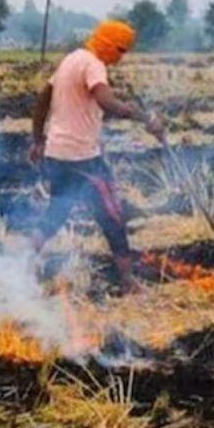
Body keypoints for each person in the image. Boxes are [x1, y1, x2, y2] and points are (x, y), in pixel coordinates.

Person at [28, 19, 166, 293]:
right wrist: (144, 117)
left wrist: (38, 139)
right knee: (112, 215)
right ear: (108, 45)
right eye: (120, 50)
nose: (120, 58)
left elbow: (43, 98)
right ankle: (128, 282)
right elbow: (106, 101)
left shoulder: (71, 59)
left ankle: (18, 262)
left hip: (56, 154)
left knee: (57, 210)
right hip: (81, 158)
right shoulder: (93, 64)